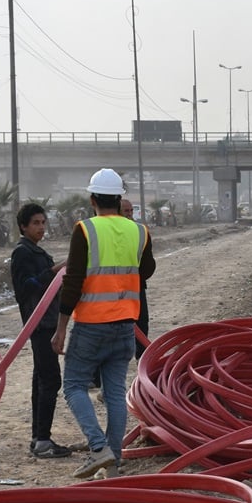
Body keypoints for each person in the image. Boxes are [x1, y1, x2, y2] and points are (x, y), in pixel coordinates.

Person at [53, 168, 156, 480]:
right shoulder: (140, 231)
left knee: (72, 385)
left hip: (92, 325)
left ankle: (98, 448)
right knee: (114, 392)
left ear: (93, 199)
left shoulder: (86, 230)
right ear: (119, 199)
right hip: (126, 323)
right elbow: (146, 270)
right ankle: (114, 463)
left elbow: (72, 281)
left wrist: (60, 327)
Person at [11, 202, 74, 459]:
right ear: (23, 226)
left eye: (43, 222)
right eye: (35, 223)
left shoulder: (36, 251)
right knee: (50, 380)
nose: (40, 227)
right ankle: (43, 441)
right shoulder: (23, 254)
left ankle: (39, 438)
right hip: (39, 325)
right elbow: (25, 287)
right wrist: (55, 270)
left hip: (47, 322)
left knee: (42, 378)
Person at [119, 198, 150, 360]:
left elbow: (148, 263)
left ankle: (143, 362)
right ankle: (96, 375)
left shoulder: (140, 231)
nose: (130, 214)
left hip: (136, 287)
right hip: (112, 289)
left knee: (141, 324)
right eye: (126, 211)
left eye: (131, 211)